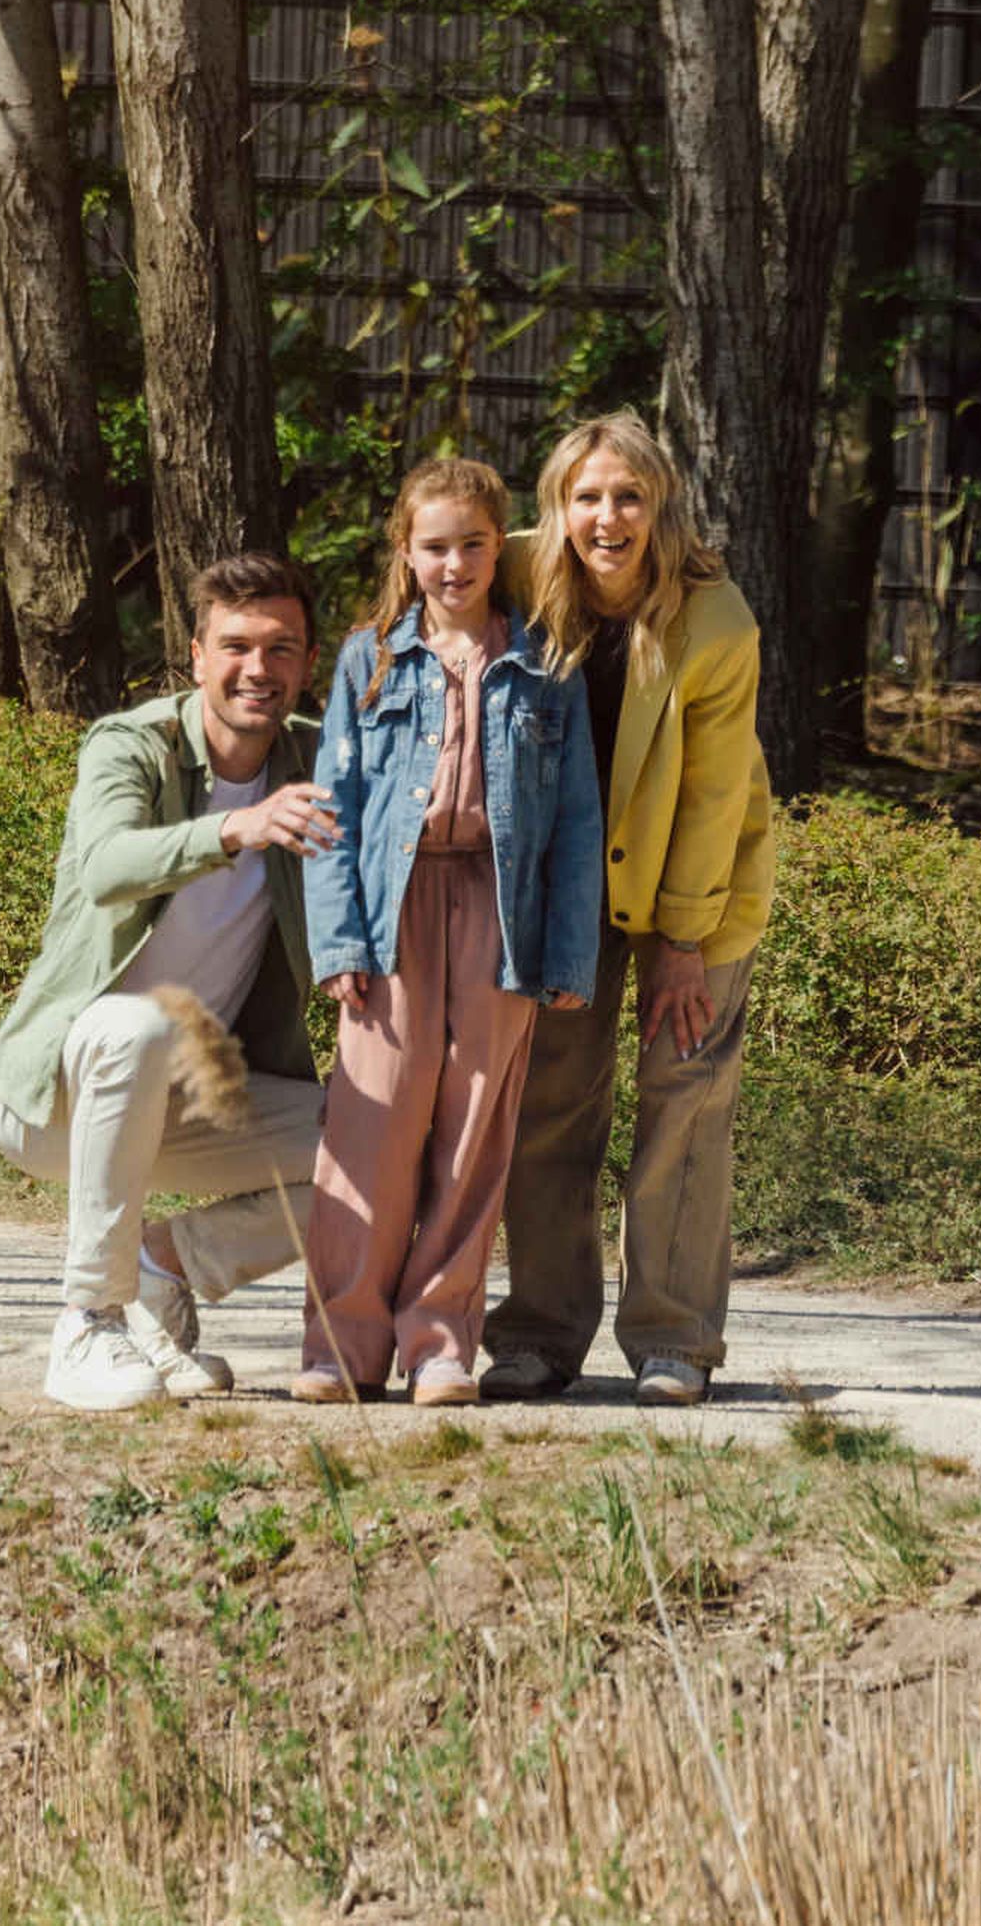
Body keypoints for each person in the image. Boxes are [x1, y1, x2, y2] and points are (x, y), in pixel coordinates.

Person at [0, 552, 342, 1412]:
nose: (258, 668)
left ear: (308, 663)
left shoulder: (317, 756)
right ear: (198, 655)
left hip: (194, 1100)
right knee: (137, 1027)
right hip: (55, 1096)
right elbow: (106, 867)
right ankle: (88, 1320)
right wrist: (237, 829)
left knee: (392, 1146)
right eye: (236, 646)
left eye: (282, 648)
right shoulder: (133, 744)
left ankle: (163, 1267)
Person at [482, 413, 777, 1407]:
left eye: (629, 497)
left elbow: (714, 796)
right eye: (588, 497)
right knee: (549, 1103)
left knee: (684, 1099)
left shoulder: (717, 620)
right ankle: (538, 1334)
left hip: (696, 887)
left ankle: (674, 1339)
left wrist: (681, 942)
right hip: (565, 887)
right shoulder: (514, 573)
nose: (607, 518)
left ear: (660, 507)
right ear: (557, 506)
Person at [296, 458, 603, 1406]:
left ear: (499, 546)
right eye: (435, 546)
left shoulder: (546, 663)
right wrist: (340, 941)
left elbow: (577, 821)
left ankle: (438, 1344)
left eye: (473, 544)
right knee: (373, 1126)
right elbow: (333, 808)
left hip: (501, 913)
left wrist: (567, 953)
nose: (455, 564)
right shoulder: (370, 659)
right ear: (406, 550)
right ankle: (343, 1343)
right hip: (396, 907)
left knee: (474, 1137)